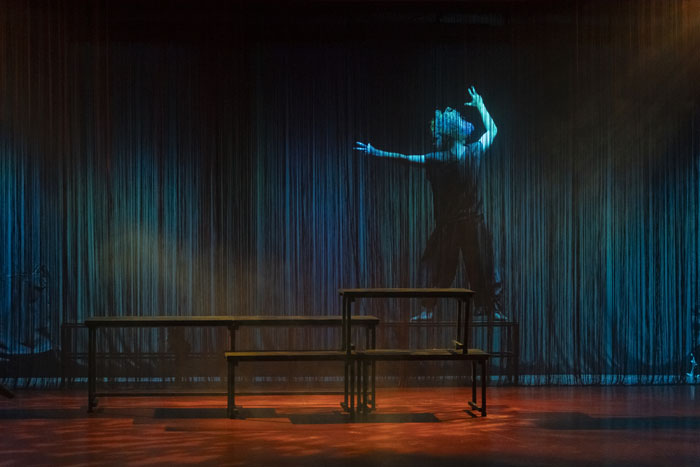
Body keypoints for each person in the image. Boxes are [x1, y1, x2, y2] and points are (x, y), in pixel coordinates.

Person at [354, 86, 502, 319]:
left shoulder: (461, 154)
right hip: (455, 225)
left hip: (468, 224)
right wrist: (378, 152)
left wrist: (481, 105)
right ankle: (431, 309)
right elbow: (406, 159)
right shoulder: (451, 156)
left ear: (448, 135)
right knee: (442, 266)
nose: (435, 140)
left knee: (480, 265)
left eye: (438, 136)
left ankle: (487, 308)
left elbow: (492, 130)